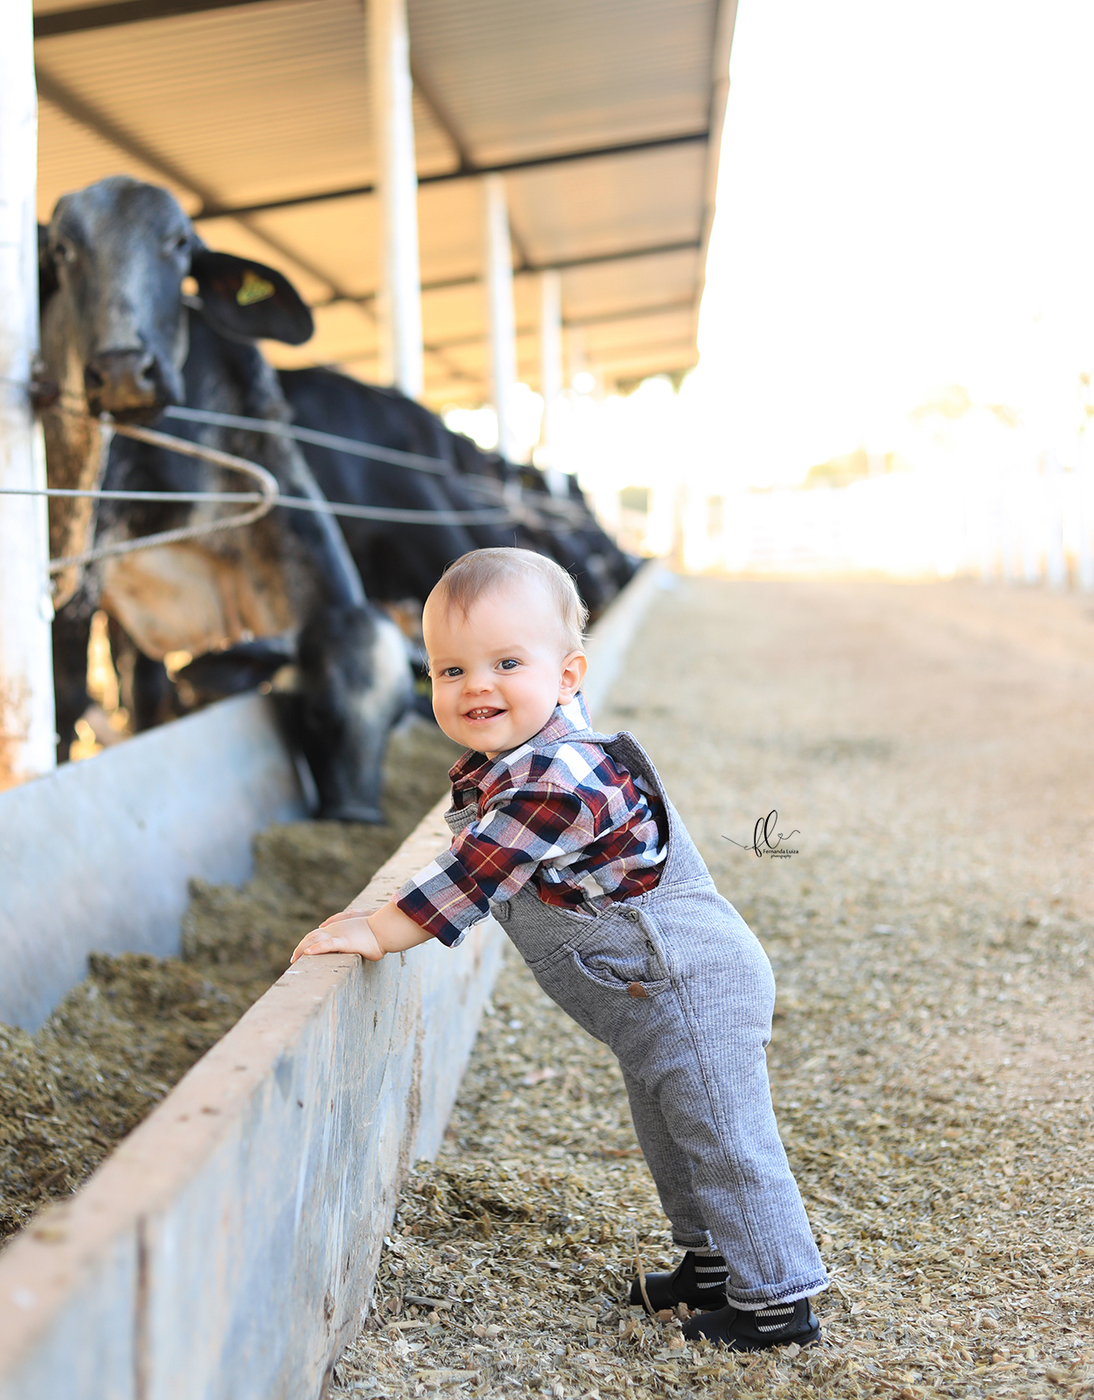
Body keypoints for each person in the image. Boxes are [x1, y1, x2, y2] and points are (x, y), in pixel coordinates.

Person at [292, 548, 827, 1350]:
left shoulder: (552, 779)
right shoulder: (514, 761)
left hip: (684, 981)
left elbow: (470, 880)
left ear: (569, 672)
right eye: (449, 670)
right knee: (672, 1128)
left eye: (507, 662)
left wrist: (372, 928)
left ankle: (780, 1302)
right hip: (644, 992)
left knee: (723, 1134)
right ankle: (710, 1262)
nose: (476, 685)